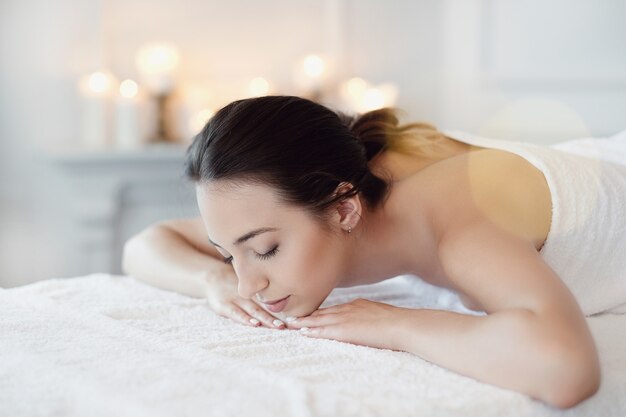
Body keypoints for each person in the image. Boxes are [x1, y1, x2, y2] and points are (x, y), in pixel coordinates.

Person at [122, 95, 612, 408]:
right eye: (229, 254)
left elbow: (566, 369)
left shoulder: (457, 215)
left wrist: (396, 324)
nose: (250, 283)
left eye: (266, 250)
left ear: (344, 211)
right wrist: (214, 280)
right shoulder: (332, 182)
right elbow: (145, 245)